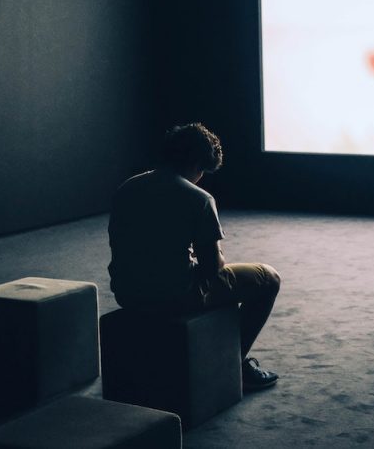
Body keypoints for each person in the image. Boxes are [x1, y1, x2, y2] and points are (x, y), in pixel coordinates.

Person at [107, 123, 281, 390]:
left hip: (127, 292)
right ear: (197, 162)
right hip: (174, 295)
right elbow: (213, 269)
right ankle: (235, 363)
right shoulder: (198, 198)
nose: (201, 177)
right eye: (203, 170)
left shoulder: (127, 188)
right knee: (268, 278)